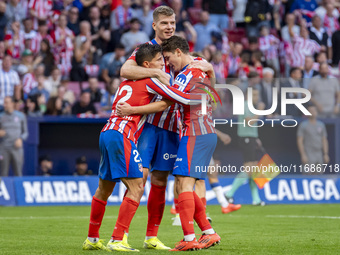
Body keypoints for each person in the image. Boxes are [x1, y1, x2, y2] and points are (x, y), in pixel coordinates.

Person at [83, 43, 202, 252]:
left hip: (107, 131)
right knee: (137, 186)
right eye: (158, 61)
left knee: (104, 188)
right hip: (122, 134)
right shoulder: (150, 80)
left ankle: (92, 239)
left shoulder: (127, 82)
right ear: (147, 65)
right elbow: (170, 100)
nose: (162, 65)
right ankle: (117, 239)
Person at [119, 5, 215, 250]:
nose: (169, 27)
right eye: (164, 23)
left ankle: (152, 236)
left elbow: (208, 84)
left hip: (175, 128)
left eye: (172, 22)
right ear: (154, 26)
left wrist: (212, 72)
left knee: (163, 179)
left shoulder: (184, 53)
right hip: (150, 125)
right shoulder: (147, 50)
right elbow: (125, 70)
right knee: (138, 178)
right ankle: (121, 236)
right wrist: (157, 75)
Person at [161, 36, 220, 251]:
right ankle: (209, 232)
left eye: (168, 58)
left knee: (184, 184)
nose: (168, 63)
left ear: (178, 51)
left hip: (196, 132)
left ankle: (189, 238)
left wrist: (158, 86)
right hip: (199, 132)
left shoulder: (192, 72)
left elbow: (187, 99)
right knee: (182, 183)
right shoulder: (193, 70)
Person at [224, 88, 265, 206]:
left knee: (253, 170)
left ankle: (256, 200)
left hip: (251, 138)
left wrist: (255, 138)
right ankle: (229, 194)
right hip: (246, 139)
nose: (257, 97)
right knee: (249, 170)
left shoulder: (250, 106)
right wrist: (260, 111)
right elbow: (249, 122)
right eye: (255, 94)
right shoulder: (245, 105)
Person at [0, 97, 28, 176]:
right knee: (3, 173)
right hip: (4, 147)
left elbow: (25, 132)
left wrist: (20, 138)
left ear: (12, 104)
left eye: (7, 103)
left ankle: (19, 187)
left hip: (17, 148)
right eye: (4, 103)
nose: (5, 105)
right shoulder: (1, 116)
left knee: (18, 172)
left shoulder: (21, 116)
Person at [297, 105, 329, 173]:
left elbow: (324, 140)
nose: (312, 112)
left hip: (318, 153)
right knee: (308, 173)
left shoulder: (321, 125)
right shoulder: (303, 125)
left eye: (314, 111)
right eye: (310, 111)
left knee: (319, 173)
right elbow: (300, 140)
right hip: (308, 153)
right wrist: (303, 154)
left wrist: (325, 154)